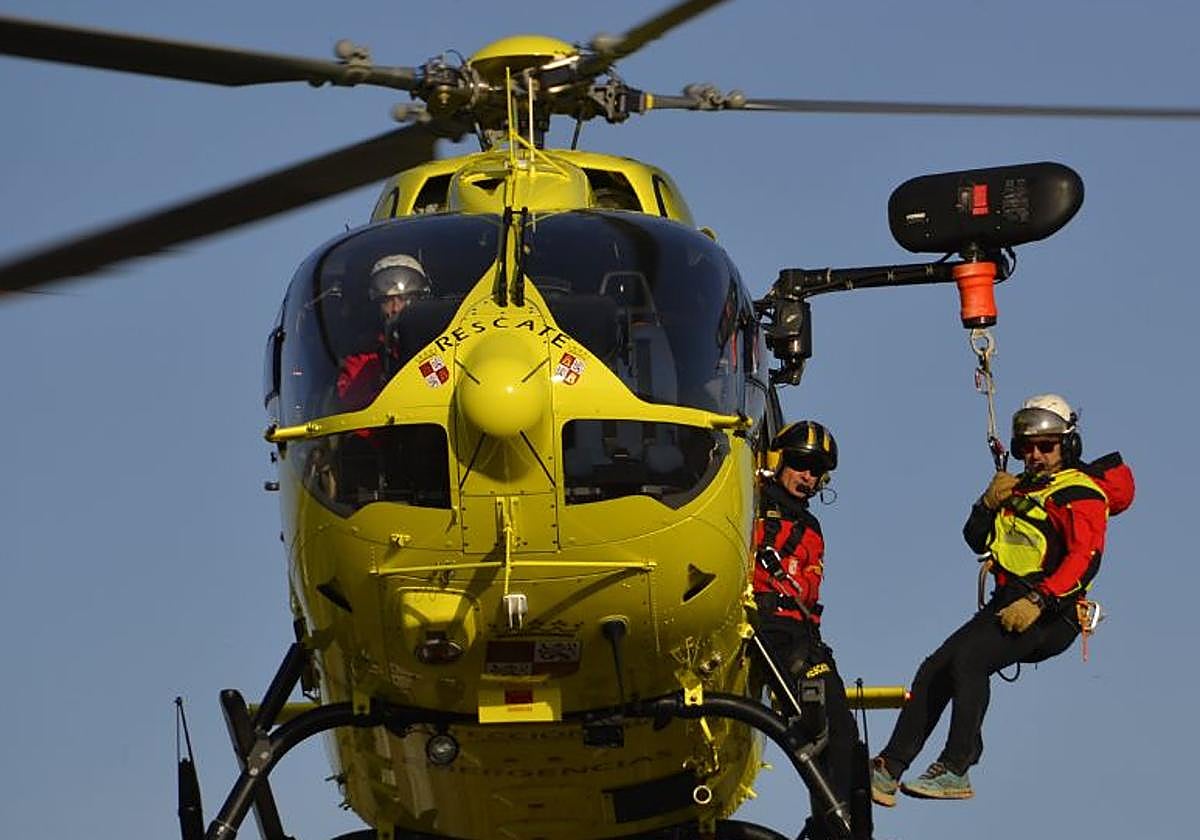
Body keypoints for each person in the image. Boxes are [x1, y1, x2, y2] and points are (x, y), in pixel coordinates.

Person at [870, 394, 1125, 804]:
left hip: (1050, 613)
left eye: (1047, 446)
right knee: (935, 667)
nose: (1036, 456)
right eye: (1028, 448)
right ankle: (889, 768)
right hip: (1007, 603)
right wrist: (985, 505)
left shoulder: (1079, 492)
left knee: (970, 661)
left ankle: (957, 766)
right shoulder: (1019, 487)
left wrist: (1040, 601)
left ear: (1068, 445)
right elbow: (976, 539)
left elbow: (1085, 559)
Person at [752, 421, 869, 839]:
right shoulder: (749, 499)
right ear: (779, 459)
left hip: (803, 636)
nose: (808, 476)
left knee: (846, 739)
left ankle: (832, 829)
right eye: (801, 464)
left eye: (816, 470)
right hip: (764, 630)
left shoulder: (812, 526)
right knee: (819, 732)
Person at [337, 253, 432, 411]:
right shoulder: (366, 357)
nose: (395, 308)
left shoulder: (443, 343)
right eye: (387, 300)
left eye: (403, 298)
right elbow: (351, 405)